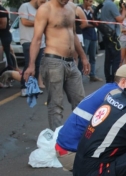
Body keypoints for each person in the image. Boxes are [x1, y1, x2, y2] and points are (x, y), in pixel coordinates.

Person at [56, 64, 126, 175]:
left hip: (65, 149)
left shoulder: (109, 88)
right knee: (125, 152)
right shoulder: (115, 95)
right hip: (70, 152)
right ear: (124, 82)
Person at [23, 0, 90, 131]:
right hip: (53, 62)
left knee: (81, 102)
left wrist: (83, 57)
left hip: (71, 62)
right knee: (56, 105)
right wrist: (31, 65)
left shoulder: (71, 7)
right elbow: (36, 39)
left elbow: (73, 34)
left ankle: (79, 137)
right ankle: (56, 141)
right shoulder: (45, 9)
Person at [18, 0, 47, 97]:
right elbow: (24, 21)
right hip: (27, 40)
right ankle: (24, 87)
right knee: (28, 64)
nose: (44, 2)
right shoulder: (25, 6)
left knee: (37, 66)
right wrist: (40, 22)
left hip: (40, 42)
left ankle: (33, 87)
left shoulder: (41, 9)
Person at [100, 0, 126, 83]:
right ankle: (114, 79)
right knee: (116, 59)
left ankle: (108, 79)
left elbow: (112, 17)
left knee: (108, 58)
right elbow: (120, 19)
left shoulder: (105, 3)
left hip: (105, 34)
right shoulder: (111, 4)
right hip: (111, 35)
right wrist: (123, 9)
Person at [80, 0, 102, 82]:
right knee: (83, 57)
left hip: (93, 36)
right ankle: (80, 76)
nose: (91, 3)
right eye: (90, 1)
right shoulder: (80, 9)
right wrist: (91, 25)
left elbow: (96, 23)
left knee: (93, 57)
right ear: (85, 1)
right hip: (84, 36)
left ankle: (92, 75)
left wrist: (93, 13)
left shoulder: (92, 10)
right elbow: (82, 24)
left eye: (92, 2)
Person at [0, 4, 16, 71]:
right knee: (9, 53)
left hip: (4, 37)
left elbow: (3, 25)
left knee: (7, 56)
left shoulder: (1, 10)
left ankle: (11, 72)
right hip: (3, 37)